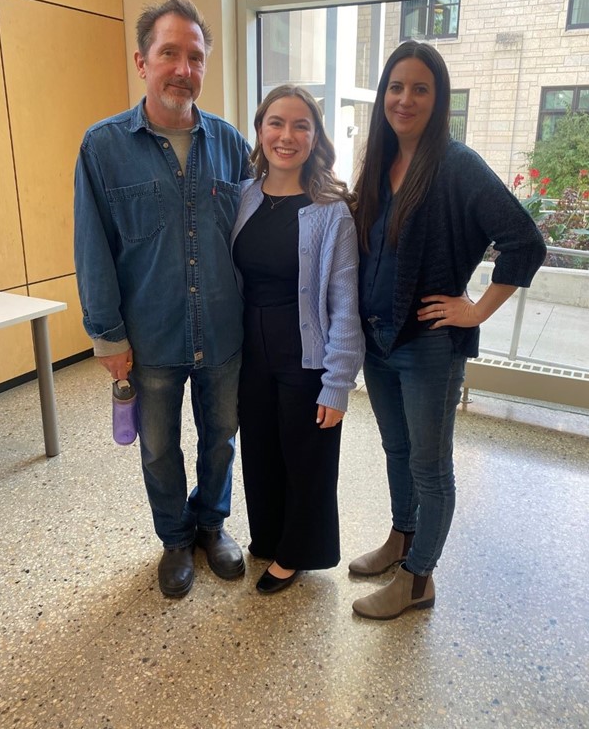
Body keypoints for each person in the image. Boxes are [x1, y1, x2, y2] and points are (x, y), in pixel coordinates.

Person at [349, 41, 546, 620]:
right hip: (378, 341)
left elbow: (524, 241)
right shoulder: (378, 162)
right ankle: (401, 539)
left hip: (430, 347)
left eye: (419, 89)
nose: (404, 99)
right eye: (395, 87)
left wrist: (477, 309)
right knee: (396, 450)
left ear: (439, 100)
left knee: (430, 467)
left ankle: (418, 581)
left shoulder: (457, 165)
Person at [74, 0, 252, 598]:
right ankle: (175, 538)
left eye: (195, 56)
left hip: (225, 332)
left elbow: (257, 234)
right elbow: (92, 245)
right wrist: (107, 334)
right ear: (141, 61)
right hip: (149, 337)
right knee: (158, 448)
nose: (184, 68)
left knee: (221, 439)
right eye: (169, 53)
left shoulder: (230, 144)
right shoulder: (103, 148)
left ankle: (212, 525)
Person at [231, 85, 365, 594]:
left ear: (315, 137)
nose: (287, 136)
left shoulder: (331, 210)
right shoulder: (243, 196)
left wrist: (338, 384)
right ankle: (267, 537)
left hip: (304, 353)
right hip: (252, 352)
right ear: (261, 130)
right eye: (276, 123)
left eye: (301, 125)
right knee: (260, 450)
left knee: (305, 455)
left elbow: (344, 304)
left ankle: (297, 552)